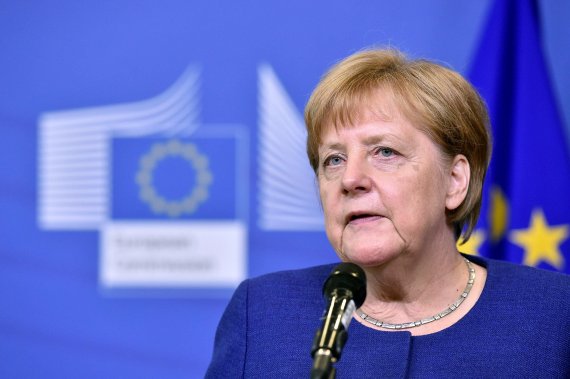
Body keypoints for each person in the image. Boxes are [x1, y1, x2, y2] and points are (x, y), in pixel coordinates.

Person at [205, 48, 570, 378]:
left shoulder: (554, 314)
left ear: (455, 180)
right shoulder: (264, 314)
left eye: (384, 152)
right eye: (333, 159)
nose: (350, 179)